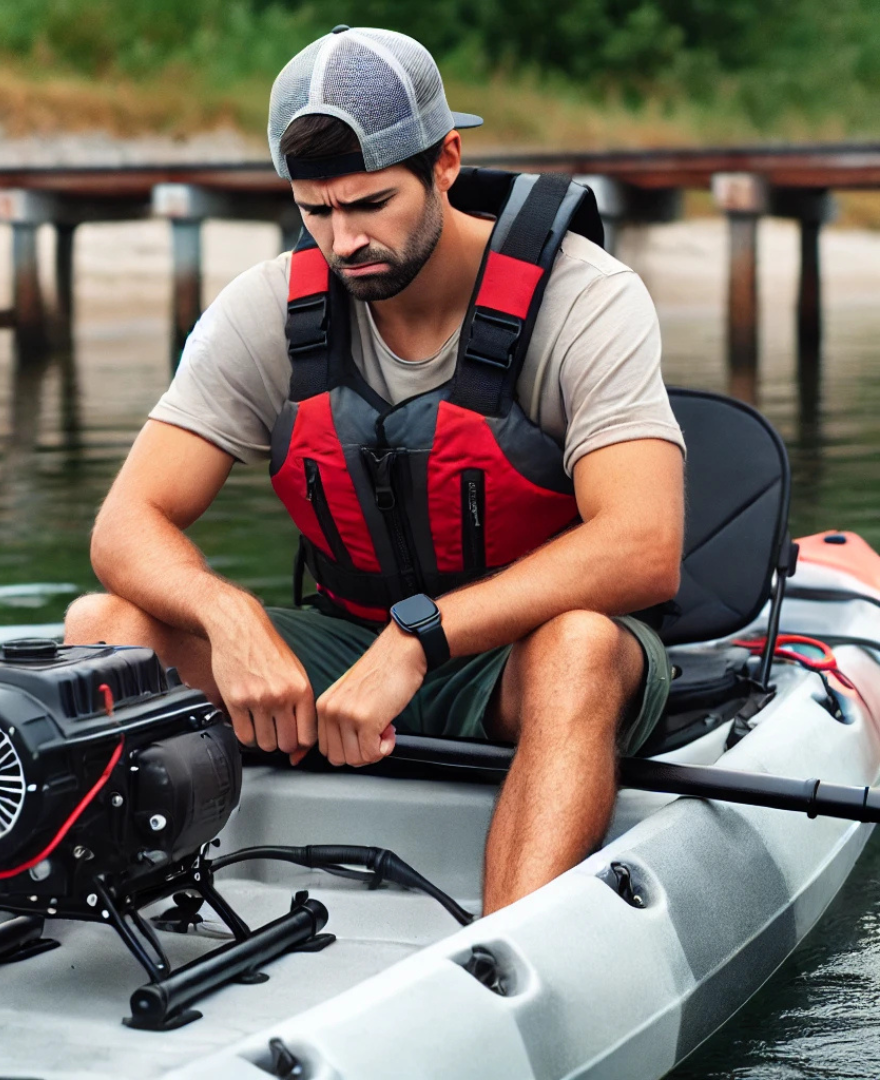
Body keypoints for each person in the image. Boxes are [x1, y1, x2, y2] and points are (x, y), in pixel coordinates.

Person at [64, 26, 685, 914]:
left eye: (370, 204)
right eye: (316, 210)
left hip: (518, 662)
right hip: (346, 646)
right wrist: (229, 617)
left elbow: (645, 545)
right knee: (106, 624)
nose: (343, 239)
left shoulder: (587, 299)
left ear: (446, 161)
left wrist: (418, 637)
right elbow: (125, 526)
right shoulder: (267, 308)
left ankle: (512, 952)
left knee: (580, 643)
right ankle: (100, 908)